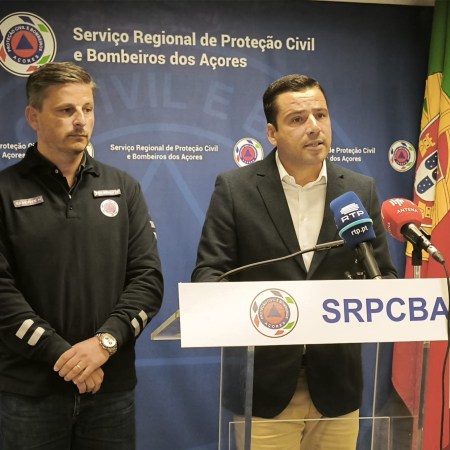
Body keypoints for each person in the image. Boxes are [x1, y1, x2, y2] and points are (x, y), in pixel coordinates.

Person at [191, 74, 397, 449]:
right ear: (272, 133)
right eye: (298, 119)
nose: (314, 127)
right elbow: (209, 275)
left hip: (337, 385)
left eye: (321, 115)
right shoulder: (236, 189)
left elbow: (383, 275)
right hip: (264, 386)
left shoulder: (358, 189)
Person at [0, 62, 163, 450]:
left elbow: (147, 279)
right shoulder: (5, 191)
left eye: (87, 109)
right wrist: (67, 358)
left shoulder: (123, 187)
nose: (81, 121)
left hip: (110, 389)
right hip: (30, 393)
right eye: (66, 110)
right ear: (33, 117)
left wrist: (104, 344)